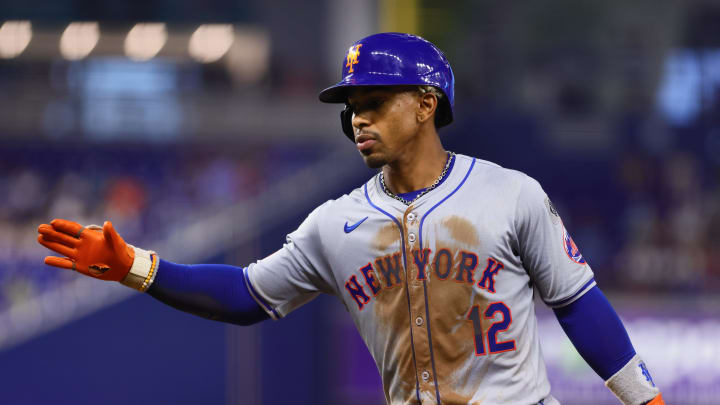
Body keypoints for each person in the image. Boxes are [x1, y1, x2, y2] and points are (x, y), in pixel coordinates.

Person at [37, 33, 663, 405]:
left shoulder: (511, 193)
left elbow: (578, 303)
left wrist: (647, 399)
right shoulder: (334, 224)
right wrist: (136, 267)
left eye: (374, 102)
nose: (358, 118)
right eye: (351, 107)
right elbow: (247, 295)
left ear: (425, 105)